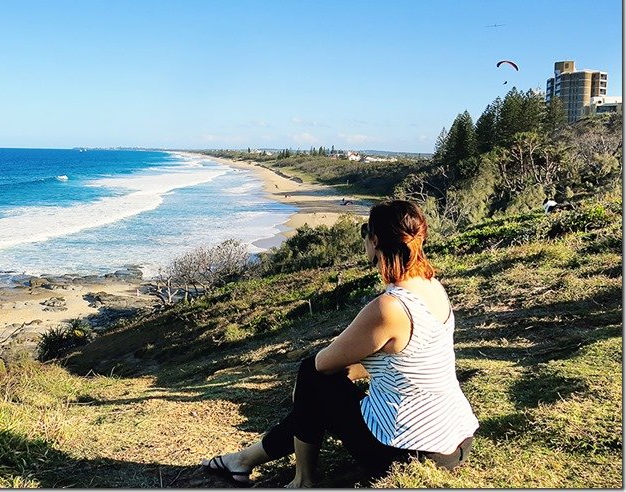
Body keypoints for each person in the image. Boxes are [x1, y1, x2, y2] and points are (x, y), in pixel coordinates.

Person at [202, 199, 479, 487]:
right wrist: (348, 372)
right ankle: (243, 460)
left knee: (311, 373)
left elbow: (322, 364)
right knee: (322, 393)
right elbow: (407, 359)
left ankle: (303, 481)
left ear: (374, 240)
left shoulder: (389, 307)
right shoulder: (433, 287)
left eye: (365, 232)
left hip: (409, 452)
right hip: (455, 442)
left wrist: (337, 374)